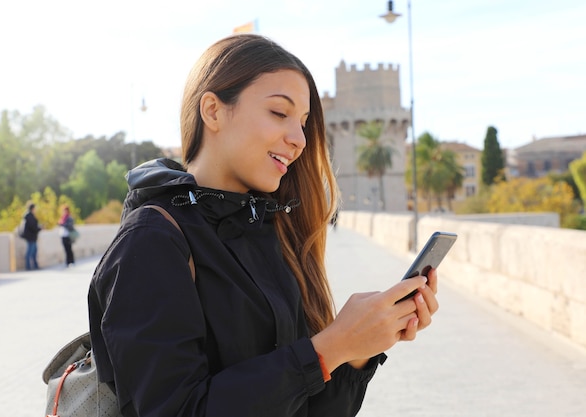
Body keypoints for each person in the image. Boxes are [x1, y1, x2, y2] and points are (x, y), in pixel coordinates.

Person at [88, 33, 439, 417]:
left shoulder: (275, 233)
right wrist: (329, 349)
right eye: (279, 113)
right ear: (213, 111)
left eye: (304, 123)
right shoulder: (151, 242)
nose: (299, 139)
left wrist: (358, 350)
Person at [22, 202, 41, 270]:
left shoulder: (29, 216)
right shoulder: (29, 216)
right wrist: (40, 228)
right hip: (31, 237)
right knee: (30, 252)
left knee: (34, 252)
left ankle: (35, 265)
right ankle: (28, 266)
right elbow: (33, 227)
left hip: (32, 237)